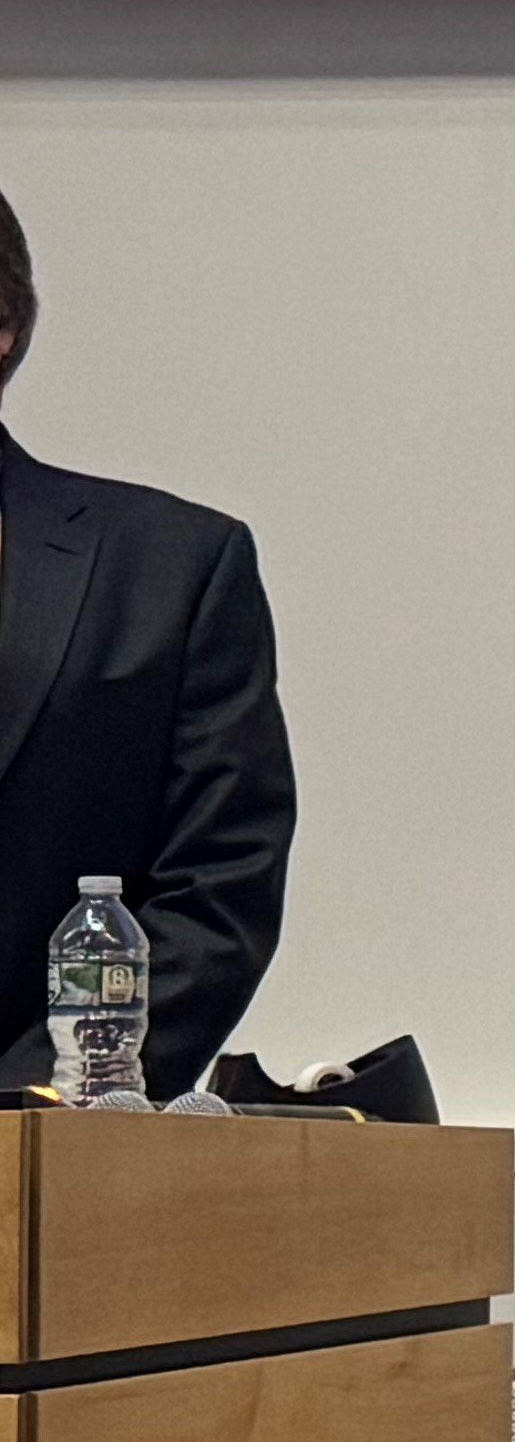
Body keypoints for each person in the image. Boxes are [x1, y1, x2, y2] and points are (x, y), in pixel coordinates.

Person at [0, 188, 296, 1095]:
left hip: (39, 1145)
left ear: (1, 325)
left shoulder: (171, 569)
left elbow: (219, 884)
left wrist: (35, 1102)